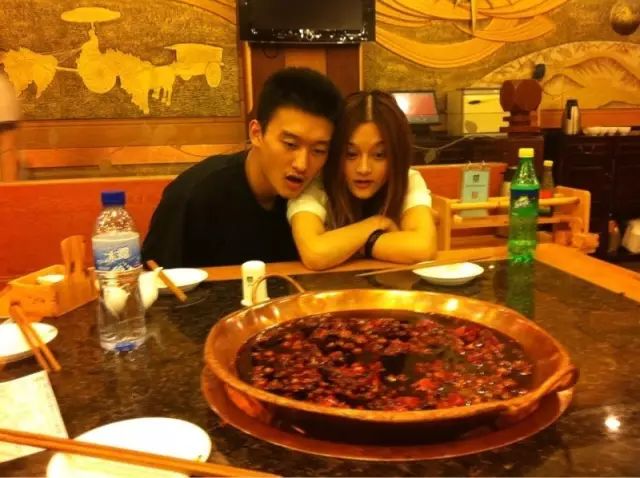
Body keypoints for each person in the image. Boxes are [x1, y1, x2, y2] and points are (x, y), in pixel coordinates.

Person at [142, 67, 343, 267]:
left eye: (318, 150)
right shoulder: (195, 195)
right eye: (290, 144)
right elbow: (153, 275)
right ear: (256, 134)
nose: (302, 164)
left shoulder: (316, 193)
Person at [287, 90, 437, 270]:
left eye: (379, 154)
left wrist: (357, 244)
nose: (363, 168)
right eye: (351, 154)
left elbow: (422, 248)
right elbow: (314, 253)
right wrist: (377, 223)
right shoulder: (317, 182)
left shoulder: (408, 180)